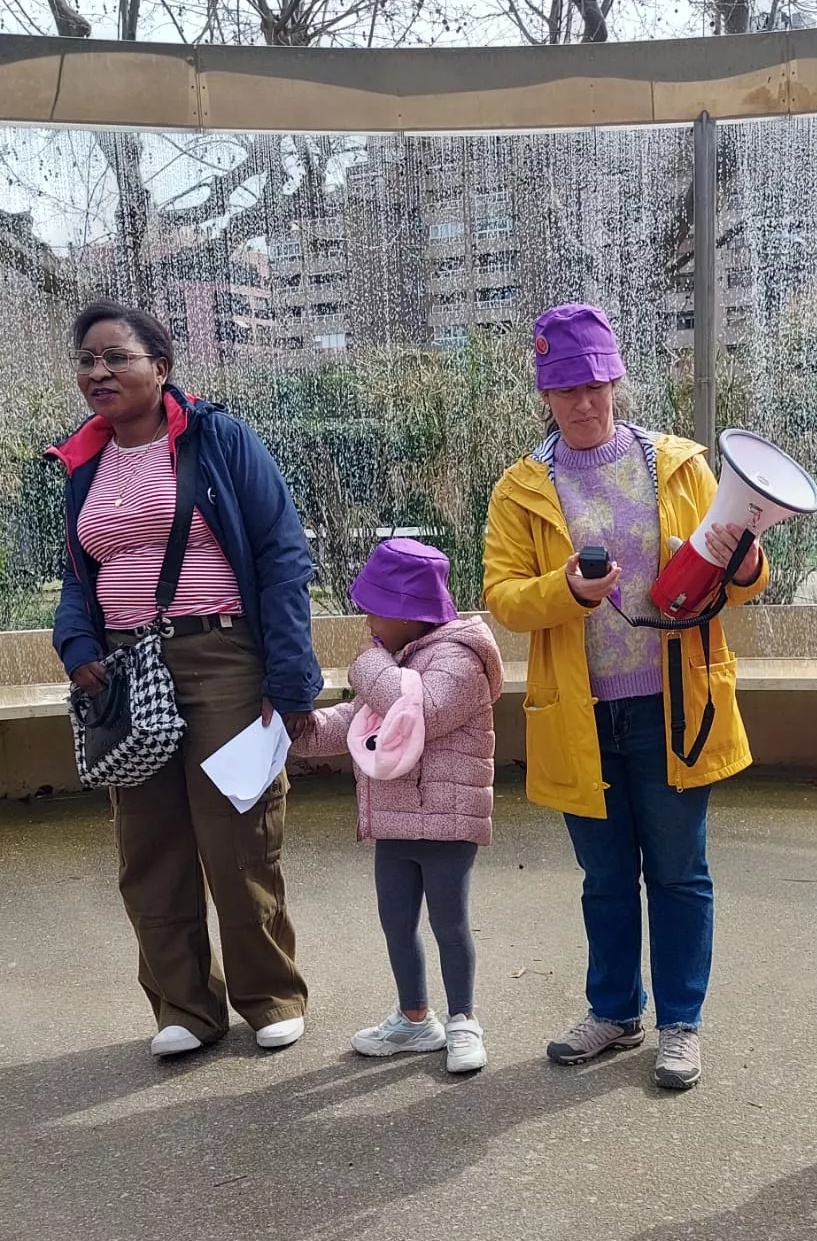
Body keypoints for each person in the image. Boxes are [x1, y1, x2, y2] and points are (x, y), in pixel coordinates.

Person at [483, 302, 768, 1092]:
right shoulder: (520, 489)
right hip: (581, 712)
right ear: (543, 391)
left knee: (678, 871)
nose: (584, 401)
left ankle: (680, 1023)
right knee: (605, 877)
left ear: (617, 379)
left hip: (675, 706)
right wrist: (566, 589)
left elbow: (734, 572)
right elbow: (504, 598)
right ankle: (613, 1011)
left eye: (597, 382)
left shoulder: (678, 465)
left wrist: (744, 569)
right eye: (566, 386)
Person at [52, 299, 321, 1059]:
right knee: (148, 842)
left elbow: (280, 554)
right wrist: (75, 644)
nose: (98, 372)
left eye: (115, 357)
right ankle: (183, 1007)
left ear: (160, 368)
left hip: (222, 657)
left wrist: (291, 677)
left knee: (237, 833)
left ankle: (268, 995)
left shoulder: (218, 439)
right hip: (125, 671)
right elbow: (81, 573)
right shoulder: (83, 463)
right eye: (86, 361)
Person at [294, 539, 504, 1074]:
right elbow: (357, 721)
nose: (367, 621)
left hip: (446, 821)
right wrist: (301, 731)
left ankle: (463, 1022)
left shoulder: (460, 660)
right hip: (395, 819)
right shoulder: (396, 660)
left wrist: (366, 664)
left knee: (449, 923)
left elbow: (418, 714)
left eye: (375, 610)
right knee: (396, 922)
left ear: (410, 614)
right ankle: (415, 1018)